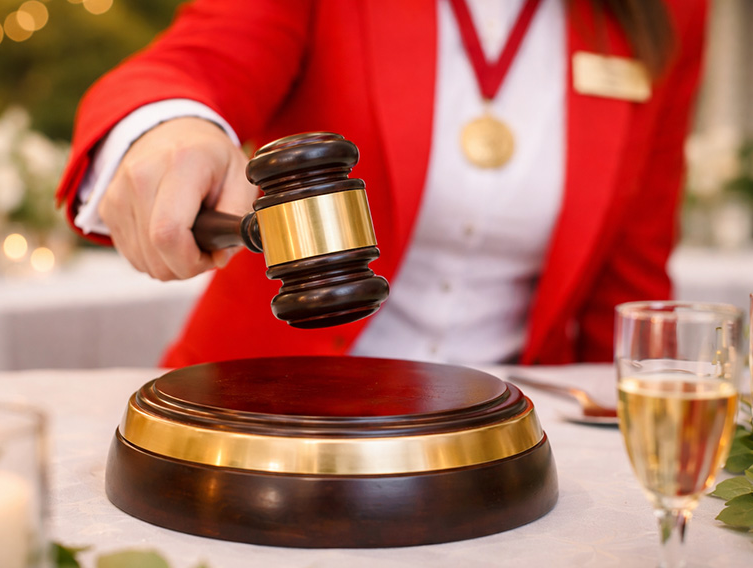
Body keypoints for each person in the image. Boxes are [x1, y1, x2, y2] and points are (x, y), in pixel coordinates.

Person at [57, 0, 708, 369]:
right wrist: (167, 128)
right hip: (264, 412)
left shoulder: (672, 13)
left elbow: (633, 279)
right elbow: (194, 60)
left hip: (502, 443)